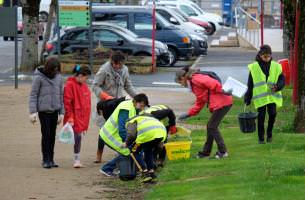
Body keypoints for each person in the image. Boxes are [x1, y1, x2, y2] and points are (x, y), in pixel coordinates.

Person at [175, 66, 233, 159]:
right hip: (221, 102)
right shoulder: (194, 84)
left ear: (183, 77)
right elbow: (200, 101)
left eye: (180, 82)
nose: (181, 85)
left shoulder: (195, 78)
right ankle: (205, 153)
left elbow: (212, 83)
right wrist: (189, 114)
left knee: (212, 127)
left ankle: (223, 152)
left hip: (222, 102)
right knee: (210, 126)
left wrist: (222, 90)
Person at [92, 51, 138, 163]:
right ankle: (99, 153)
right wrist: (106, 96)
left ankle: (120, 154)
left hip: (118, 104)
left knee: (120, 129)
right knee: (104, 130)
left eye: (119, 64)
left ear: (123, 63)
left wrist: (137, 98)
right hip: (105, 105)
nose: (117, 66)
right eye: (114, 64)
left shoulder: (125, 70)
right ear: (111, 61)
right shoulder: (104, 70)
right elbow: (95, 86)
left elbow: (128, 86)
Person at [99, 93, 149, 177]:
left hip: (114, 134)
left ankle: (111, 168)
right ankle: (106, 169)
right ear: (136, 102)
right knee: (127, 152)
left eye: (144, 106)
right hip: (110, 135)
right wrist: (127, 142)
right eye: (141, 105)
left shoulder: (134, 107)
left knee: (129, 151)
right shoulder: (126, 109)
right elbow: (122, 129)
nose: (142, 108)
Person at [244, 45, 285, 144]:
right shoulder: (254, 67)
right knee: (261, 117)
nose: (267, 58)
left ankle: (269, 133)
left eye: (269, 56)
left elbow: (282, 79)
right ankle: (261, 138)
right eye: (265, 56)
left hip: (272, 96)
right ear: (260, 55)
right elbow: (250, 84)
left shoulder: (276, 66)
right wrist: (247, 98)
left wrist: (278, 86)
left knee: (272, 114)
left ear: (271, 56)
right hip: (260, 98)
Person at [29, 57, 64, 169]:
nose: (55, 72)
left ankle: (51, 159)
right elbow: (33, 94)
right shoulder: (38, 78)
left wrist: (61, 113)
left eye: (57, 69)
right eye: (54, 69)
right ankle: (45, 159)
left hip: (55, 111)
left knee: (52, 136)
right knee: (46, 135)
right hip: (44, 111)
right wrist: (33, 112)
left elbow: (61, 95)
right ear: (48, 68)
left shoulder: (58, 77)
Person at [63, 65, 92, 168]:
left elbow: (87, 102)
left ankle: (77, 159)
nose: (86, 80)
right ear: (80, 75)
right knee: (77, 137)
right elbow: (67, 102)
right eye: (86, 77)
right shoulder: (69, 85)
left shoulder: (84, 85)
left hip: (82, 116)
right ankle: (76, 159)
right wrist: (70, 116)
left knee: (78, 137)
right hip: (74, 116)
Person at [124, 115, 167, 182]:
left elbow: (131, 135)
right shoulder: (146, 119)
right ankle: (151, 172)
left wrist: (126, 143)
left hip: (147, 134)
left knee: (134, 151)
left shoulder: (130, 122)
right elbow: (160, 147)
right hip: (161, 133)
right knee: (148, 150)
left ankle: (145, 173)